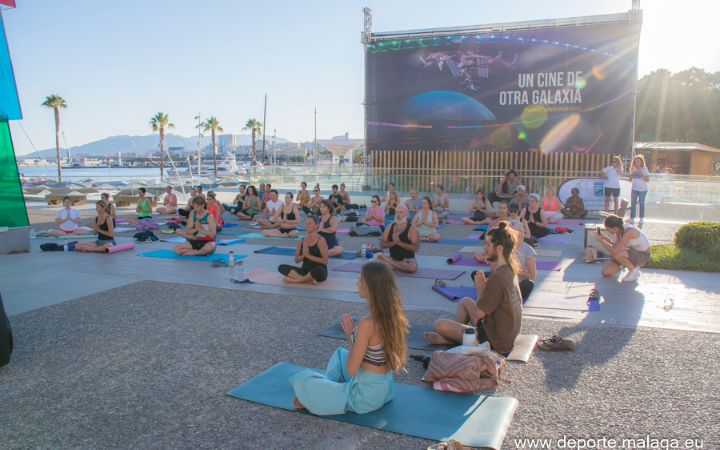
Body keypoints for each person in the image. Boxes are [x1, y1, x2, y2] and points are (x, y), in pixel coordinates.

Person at [290, 261, 408, 415]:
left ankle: (325, 394)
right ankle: (329, 391)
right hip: (384, 390)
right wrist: (353, 336)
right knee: (339, 355)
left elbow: (352, 369)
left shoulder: (367, 323)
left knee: (302, 379)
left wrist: (352, 338)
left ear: (371, 288)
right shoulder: (393, 315)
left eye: (361, 281)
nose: (357, 283)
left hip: (363, 397)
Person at [425, 222, 522, 356]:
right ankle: (451, 338)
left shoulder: (498, 277)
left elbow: (479, 314)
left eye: (488, 244)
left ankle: (450, 338)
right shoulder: (510, 270)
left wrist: (480, 290)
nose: (484, 248)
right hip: (503, 332)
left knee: (440, 324)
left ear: (499, 249)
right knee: (465, 301)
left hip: (495, 342)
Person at [597, 214, 650, 283]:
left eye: (608, 229)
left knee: (616, 254)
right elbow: (617, 246)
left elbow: (614, 251)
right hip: (630, 253)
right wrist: (605, 239)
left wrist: (600, 241)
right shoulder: (619, 231)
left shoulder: (629, 231)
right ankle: (626, 264)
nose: (607, 231)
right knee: (605, 272)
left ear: (615, 228)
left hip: (642, 257)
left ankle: (634, 272)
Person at [278, 216, 329, 283]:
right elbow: (296, 260)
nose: (307, 226)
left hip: (318, 270)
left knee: (319, 271)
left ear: (316, 225)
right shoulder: (301, 241)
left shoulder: (321, 240)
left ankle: (297, 280)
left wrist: (308, 255)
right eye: (305, 224)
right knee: (281, 267)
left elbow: (325, 261)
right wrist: (303, 256)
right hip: (304, 270)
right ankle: (308, 279)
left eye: (310, 224)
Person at [377, 205, 419, 273]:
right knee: (377, 262)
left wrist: (399, 243)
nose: (398, 215)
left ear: (406, 214)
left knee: (412, 268)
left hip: (407, 259)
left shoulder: (412, 229)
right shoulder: (389, 227)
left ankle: (392, 265)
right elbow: (382, 245)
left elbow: (415, 248)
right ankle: (398, 266)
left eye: (401, 212)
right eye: (397, 212)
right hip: (392, 257)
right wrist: (394, 242)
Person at [628, 155, 650, 225]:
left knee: (641, 204)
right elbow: (629, 179)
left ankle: (641, 218)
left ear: (641, 162)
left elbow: (647, 180)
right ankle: (632, 218)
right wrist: (632, 175)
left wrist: (642, 175)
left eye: (638, 161)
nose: (637, 162)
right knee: (633, 203)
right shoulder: (633, 168)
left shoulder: (644, 169)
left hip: (643, 189)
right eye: (635, 161)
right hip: (634, 188)